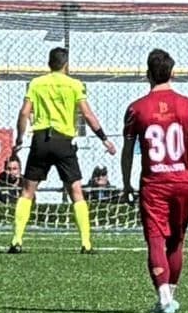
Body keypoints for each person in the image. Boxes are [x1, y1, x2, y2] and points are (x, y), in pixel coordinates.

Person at [121, 48, 188, 313]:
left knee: (156, 239)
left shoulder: (136, 109)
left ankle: (164, 298)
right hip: (182, 180)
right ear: (172, 73)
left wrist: (126, 183)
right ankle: (170, 296)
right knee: (177, 240)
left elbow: (127, 150)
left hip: (154, 182)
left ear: (148, 74)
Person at [7, 46, 116, 254]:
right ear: (66, 65)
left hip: (40, 140)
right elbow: (87, 114)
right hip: (63, 142)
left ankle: (16, 240)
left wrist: (20, 138)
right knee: (76, 191)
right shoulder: (74, 85)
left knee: (27, 192)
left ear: (49, 63)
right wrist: (104, 138)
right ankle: (86, 243)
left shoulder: (36, 83)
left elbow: (24, 113)